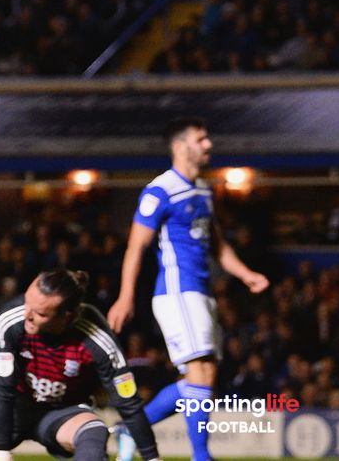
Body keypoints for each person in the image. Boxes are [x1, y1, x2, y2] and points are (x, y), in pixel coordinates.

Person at [107, 117, 270, 461]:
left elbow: (218, 246)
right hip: (178, 291)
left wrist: (245, 274)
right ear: (181, 147)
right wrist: (125, 296)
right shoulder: (160, 191)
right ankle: (200, 456)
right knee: (199, 373)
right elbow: (135, 247)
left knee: (203, 378)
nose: (209, 144)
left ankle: (130, 429)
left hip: (202, 292)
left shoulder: (203, 189)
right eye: (201, 138)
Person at [0, 269, 160, 461]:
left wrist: (152, 458)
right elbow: (3, 390)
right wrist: (0, 451)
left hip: (63, 411)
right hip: (13, 405)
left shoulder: (96, 338)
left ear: (68, 316)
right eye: (26, 302)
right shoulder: (10, 321)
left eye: (39, 313)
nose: (26, 314)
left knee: (94, 431)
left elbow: (128, 403)